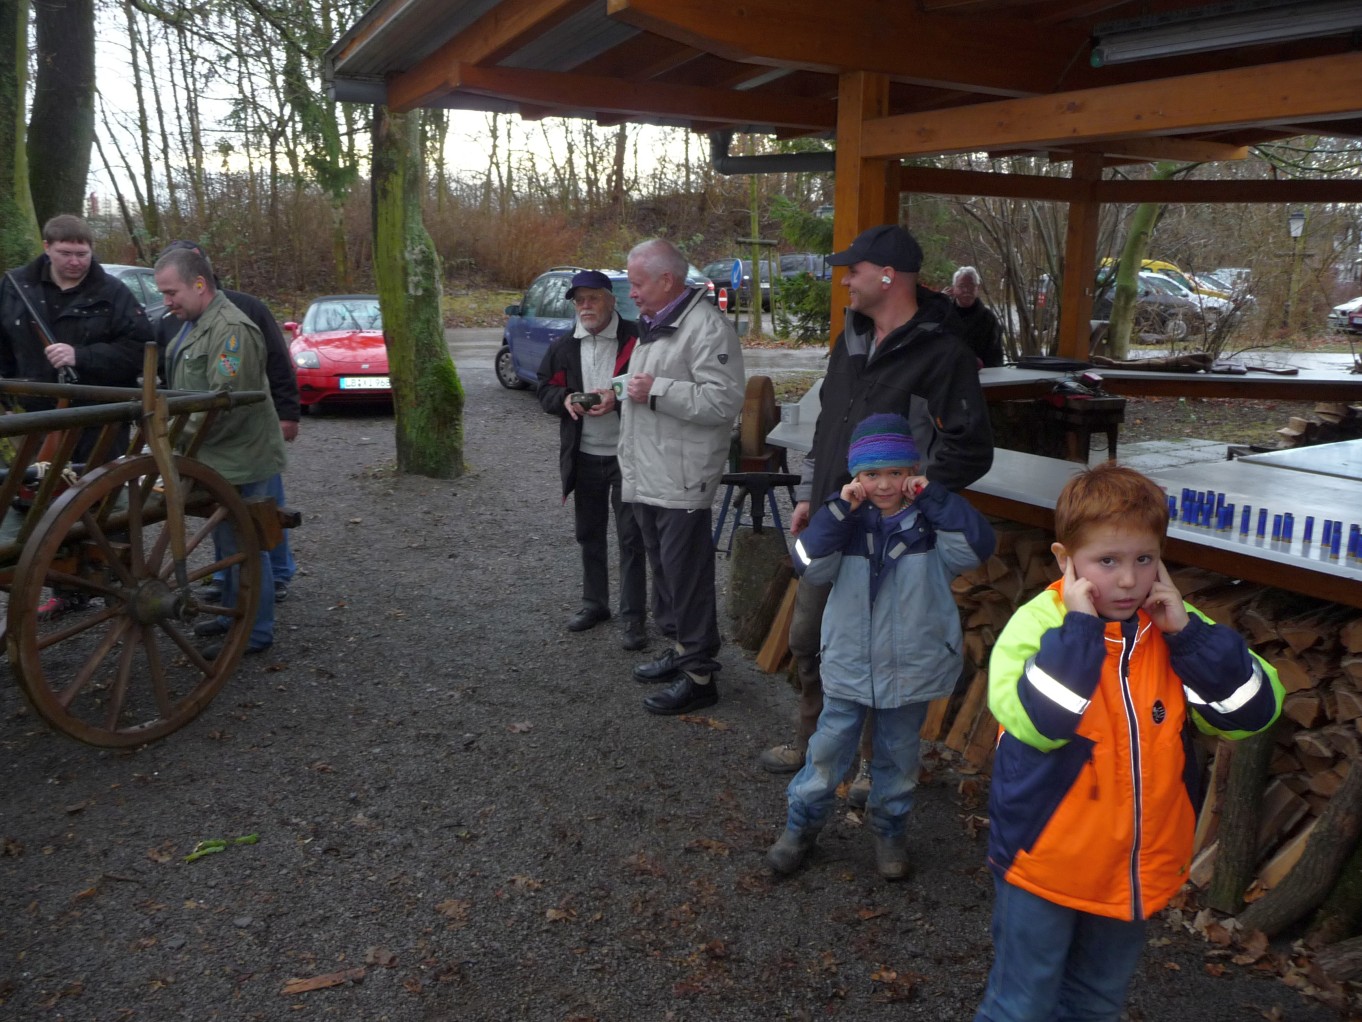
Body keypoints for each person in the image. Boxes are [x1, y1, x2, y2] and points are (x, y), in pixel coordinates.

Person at [974, 462, 1284, 1022]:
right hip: (1044, 863)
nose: (1126, 581)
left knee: (1096, 1002)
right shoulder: (1035, 627)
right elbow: (1041, 723)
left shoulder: (1173, 626)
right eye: (1107, 561)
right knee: (1022, 1004)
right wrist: (1080, 632)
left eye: (1144, 560)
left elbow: (1251, 714)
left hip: (1136, 868)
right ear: (1066, 559)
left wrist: (1189, 638)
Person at [759, 224, 995, 806]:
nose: (845, 280)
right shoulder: (851, 340)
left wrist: (912, 496)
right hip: (838, 521)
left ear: (888, 276)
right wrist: (814, 493)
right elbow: (829, 422)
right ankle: (813, 742)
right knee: (810, 638)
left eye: (854, 270)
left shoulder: (942, 353)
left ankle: (870, 764)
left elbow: (970, 448)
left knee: (881, 650)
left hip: (896, 537)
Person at [766, 413, 995, 880]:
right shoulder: (844, 523)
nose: (885, 484)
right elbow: (807, 563)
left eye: (896, 472)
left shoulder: (930, 526)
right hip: (850, 664)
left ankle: (890, 831)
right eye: (872, 474)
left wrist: (934, 497)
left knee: (899, 758)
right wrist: (837, 510)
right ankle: (800, 827)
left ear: (913, 472)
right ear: (856, 477)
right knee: (827, 754)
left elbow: (977, 546)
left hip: (910, 669)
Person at [0, 214, 151, 616]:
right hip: (37, 417)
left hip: (98, 419)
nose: (75, 261)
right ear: (47, 248)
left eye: (82, 253)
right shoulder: (16, 286)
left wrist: (80, 355)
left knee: (104, 502)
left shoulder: (112, 292)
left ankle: (120, 583)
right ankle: (65, 587)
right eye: (66, 253)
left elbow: (141, 348)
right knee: (40, 502)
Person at [618, 238, 745, 715]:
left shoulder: (707, 328)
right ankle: (679, 649)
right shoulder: (658, 322)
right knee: (665, 570)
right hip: (652, 471)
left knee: (686, 576)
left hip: (683, 475)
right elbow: (650, 383)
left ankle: (699, 676)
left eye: (637, 284)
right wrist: (617, 392)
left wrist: (656, 391)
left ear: (666, 280)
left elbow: (722, 402)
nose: (632, 293)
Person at [154, 246, 286, 657]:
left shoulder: (231, 330)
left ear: (199, 284)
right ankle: (233, 615)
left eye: (171, 292)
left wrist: (169, 438)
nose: (166, 301)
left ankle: (254, 632)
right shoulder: (193, 323)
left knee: (245, 546)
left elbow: (223, 405)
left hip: (237, 457)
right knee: (228, 546)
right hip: (212, 456)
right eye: (163, 293)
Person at [536, 269, 648, 651]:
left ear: (611, 300)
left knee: (632, 537)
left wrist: (619, 397)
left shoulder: (637, 338)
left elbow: (652, 382)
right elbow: (545, 389)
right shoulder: (564, 346)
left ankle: (633, 617)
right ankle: (595, 604)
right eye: (579, 300)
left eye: (593, 298)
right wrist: (566, 399)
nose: (586, 306)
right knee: (589, 534)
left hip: (628, 454)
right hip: (584, 455)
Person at [947, 266, 1005, 369]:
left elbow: (995, 358)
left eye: (971, 286)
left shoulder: (988, 319)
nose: (966, 290)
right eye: (961, 286)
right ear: (953, 288)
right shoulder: (944, 316)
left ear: (978, 288)